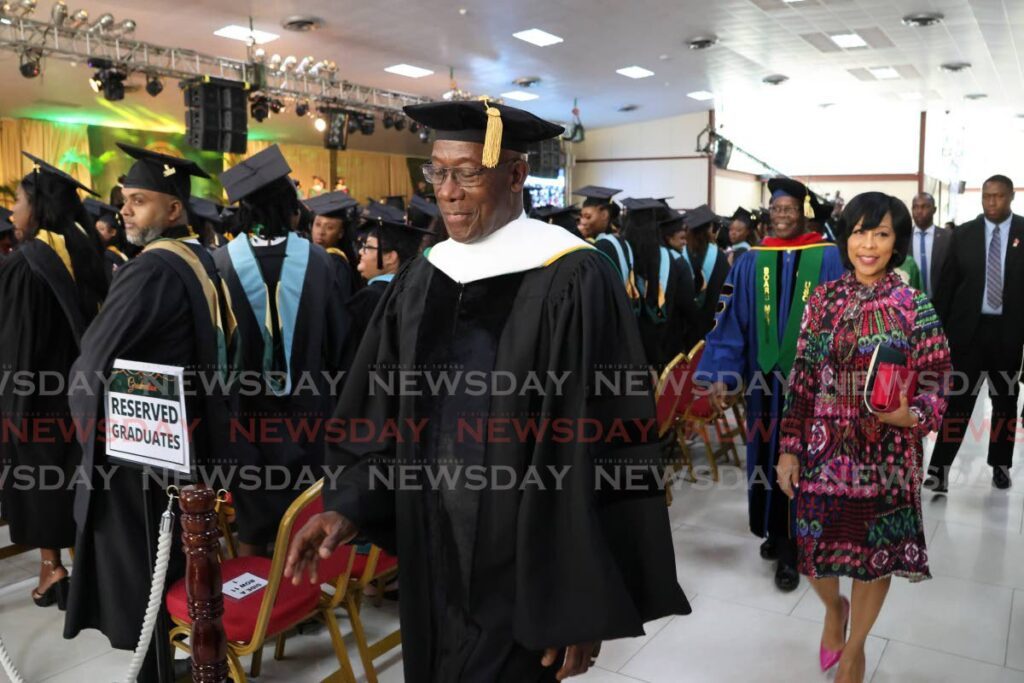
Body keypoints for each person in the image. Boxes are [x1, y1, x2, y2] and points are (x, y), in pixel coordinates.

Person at [284, 99, 690, 682]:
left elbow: (605, 440)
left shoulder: (573, 275)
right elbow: (382, 409)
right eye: (437, 172)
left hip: (525, 565)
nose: (447, 191)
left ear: (516, 174)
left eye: (468, 173)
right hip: (430, 556)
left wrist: (580, 600)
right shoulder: (423, 276)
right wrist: (350, 505)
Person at [64, 143, 230, 682]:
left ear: (174, 210)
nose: (125, 211)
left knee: (142, 570)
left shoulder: (149, 269)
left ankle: (154, 671)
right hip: (190, 444)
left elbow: (93, 362)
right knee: (178, 564)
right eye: (123, 201)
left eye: (139, 200)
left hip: (140, 459)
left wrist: (85, 430)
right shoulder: (203, 258)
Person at [778, 192, 951, 683]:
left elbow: (939, 376)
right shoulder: (823, 300)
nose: (868, 244)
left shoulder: (913, 304)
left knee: (874, 559)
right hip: (822, 447)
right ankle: (835, 609)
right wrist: (790, 446)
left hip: (888, 453)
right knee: (814, 553)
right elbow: (803, 375)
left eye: (881, 233)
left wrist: (910, 414)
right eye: (859, 231)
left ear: (896, 241)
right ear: (845, 237)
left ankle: (854, 649)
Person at [697, 177, 845, 592]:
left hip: (810, 386)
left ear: (803, 212)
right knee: (765, 457)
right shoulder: (751, 261)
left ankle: (794, 548)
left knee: (801, 460)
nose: (782, 217)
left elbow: (840, 322)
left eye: (789, 210)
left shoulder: (829, 258)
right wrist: (725, 374)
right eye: (776, 210)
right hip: (764, 385)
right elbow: (731, 320)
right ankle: (773, 530)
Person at [215, 144, 350, 556]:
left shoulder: (219, 263)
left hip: (246, 416)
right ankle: (302, 597)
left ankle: (264, 609)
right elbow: (339, 344)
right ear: (291, 207)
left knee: (253, 522)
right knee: (305, 510)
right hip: (310, 410)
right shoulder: (320, 262)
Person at [0, 154, 107, 611]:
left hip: (36, 399)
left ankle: (53, 568)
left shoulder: (28, 263)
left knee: (43, 484)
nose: (12, 212)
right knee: (76, 481)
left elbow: (16, 343)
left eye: (19, 201)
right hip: (81, 395)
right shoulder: (84, 249)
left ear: (38, 206)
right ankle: (83, 569)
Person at [929, 174, 1024, 492]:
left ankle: (1000, 465)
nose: (991, 202)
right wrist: (935, 333)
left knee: (1005, 402)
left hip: (1008, 334)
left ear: (1010, 196)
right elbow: (946, 287)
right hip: (967, 333)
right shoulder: (965, 235)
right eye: (986, 196)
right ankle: (939, 470)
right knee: (958, 401)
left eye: (998, 196)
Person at [341, 209, 431, 370]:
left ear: (391, 257)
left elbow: (349, 356)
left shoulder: (369, 299)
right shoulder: (416, 293)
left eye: (368, 247)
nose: (361, 252)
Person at [622, 197, 702, 367]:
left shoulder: (621, 256)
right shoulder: (672, 261)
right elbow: (687, 305)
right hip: (665, 347)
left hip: (627, 347)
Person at [679, 204, 730, 338]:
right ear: (709, 228)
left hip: (683, 326)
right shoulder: (720, 257)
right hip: (713, 325)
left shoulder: (679, 257)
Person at [306, 189, 362, 297]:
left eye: (329, 227)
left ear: (341, 233)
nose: (321, 232)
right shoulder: (316, 256)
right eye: (317, 225)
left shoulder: (336, 263)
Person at [910, 192, 951, 300]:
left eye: (924, 207)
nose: (919, 211)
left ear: (934, 210)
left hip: (941, 303)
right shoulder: (903, 237)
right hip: (910, 304)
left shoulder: (948, 237)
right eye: (915, 207)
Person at [85, 198, 134, 276]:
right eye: (96, 228)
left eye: (101, 229)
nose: (96, 232)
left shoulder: (110, 256)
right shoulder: (100, 251)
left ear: (113, 232)